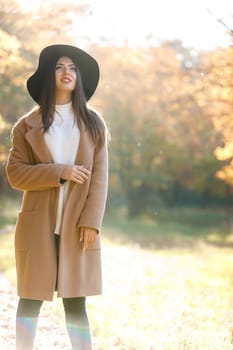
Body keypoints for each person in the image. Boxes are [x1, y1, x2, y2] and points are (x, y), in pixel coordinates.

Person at [6, 44, 109, 350]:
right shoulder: (27, 126)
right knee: (30, 300)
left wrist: (92, 222)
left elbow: (100, 178)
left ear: (79, 78)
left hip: (77, 226)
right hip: (38, 225)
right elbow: (16, 175)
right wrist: (59, 171)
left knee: (76, 304)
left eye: (73, 68)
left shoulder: (94, 123)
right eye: (60, 67)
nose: (67, 73)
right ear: (49, 75)